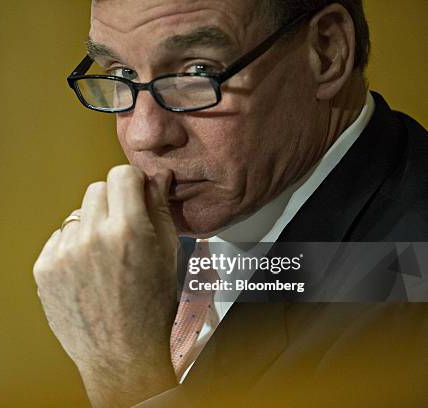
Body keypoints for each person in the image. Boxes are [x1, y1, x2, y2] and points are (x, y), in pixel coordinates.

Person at [33, 0, 428, 406]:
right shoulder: (165, 238)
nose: (144, 135)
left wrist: (126, 376)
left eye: (197, 72)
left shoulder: (412, 286)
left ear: (327, 51)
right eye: (123, 73)